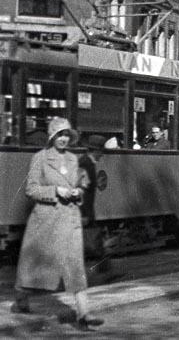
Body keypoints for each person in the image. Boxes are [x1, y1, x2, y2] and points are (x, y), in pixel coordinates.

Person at [11, 118, 103, 331]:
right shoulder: (40, 158)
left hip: (70, 219)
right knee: (33, 265)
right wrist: (55, 192)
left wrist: (77, 191)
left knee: (75, 267)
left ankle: (84, 313)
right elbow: (31, 190)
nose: (63, 139)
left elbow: (83, 184)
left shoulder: (74, 159)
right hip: (45, 220)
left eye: (66, 136)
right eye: (59, 135)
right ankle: (21, 300)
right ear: (52, 136)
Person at [78, 135, 111, 274]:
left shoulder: (87, 162)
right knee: (93, 240)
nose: (102, 155)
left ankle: (104, 269)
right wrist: (84, 213)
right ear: (95, 151)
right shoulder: (85, 163)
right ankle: (105, 270)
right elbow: (82, 190)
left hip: (86, 210)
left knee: (94, 239)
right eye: (101, 152)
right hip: (84, 210)